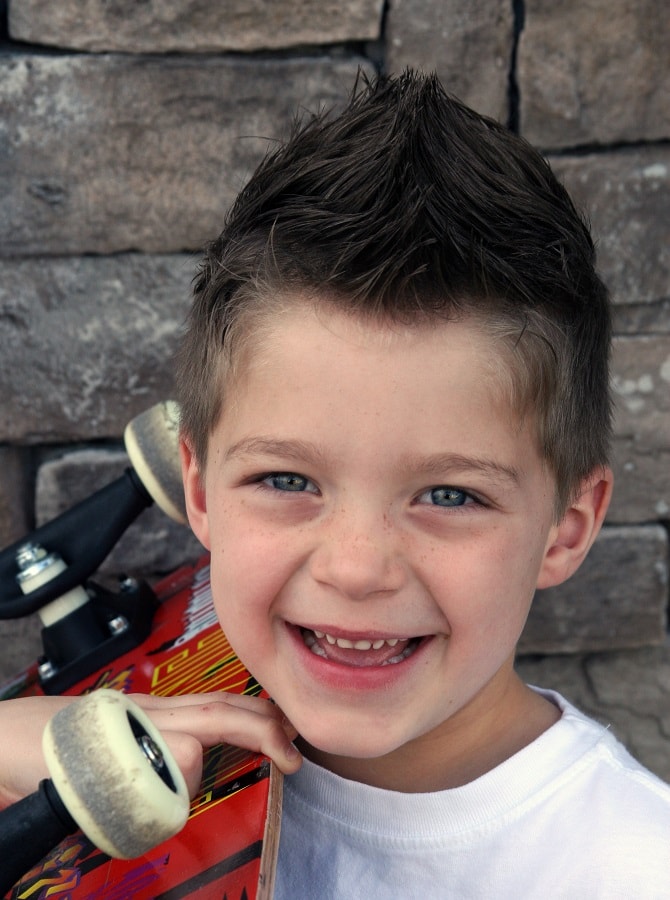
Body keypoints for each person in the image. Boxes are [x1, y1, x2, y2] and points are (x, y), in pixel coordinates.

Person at [1, 70, 668, 896]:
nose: (355, 568)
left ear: (566, 528)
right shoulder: (88, 739)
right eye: (287, 478)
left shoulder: (634, 866)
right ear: (200, 492)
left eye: (450, 495)